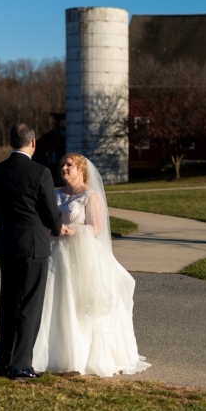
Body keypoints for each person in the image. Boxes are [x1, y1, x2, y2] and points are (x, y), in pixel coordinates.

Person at [31, 153, 150, 377]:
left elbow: (96, 229)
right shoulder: (55, 194)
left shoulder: (90, 196)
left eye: (69, 165)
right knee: (51, 302)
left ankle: (80, 354)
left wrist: (72, 231)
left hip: (80, 255)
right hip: (53, 254)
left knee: (79, 303)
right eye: (62, 165)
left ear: (82, 170)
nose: (64, 168)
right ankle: (48, 351)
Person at [0, 123, 70, 380]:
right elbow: (48, 210)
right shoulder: (40, 172)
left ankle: (5, 360)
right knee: (30, 304)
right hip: (34, 245)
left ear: (12, 142)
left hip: (7, 244)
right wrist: (58, 227)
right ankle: (21, 365)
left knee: (9, 303)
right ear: (33, 142)